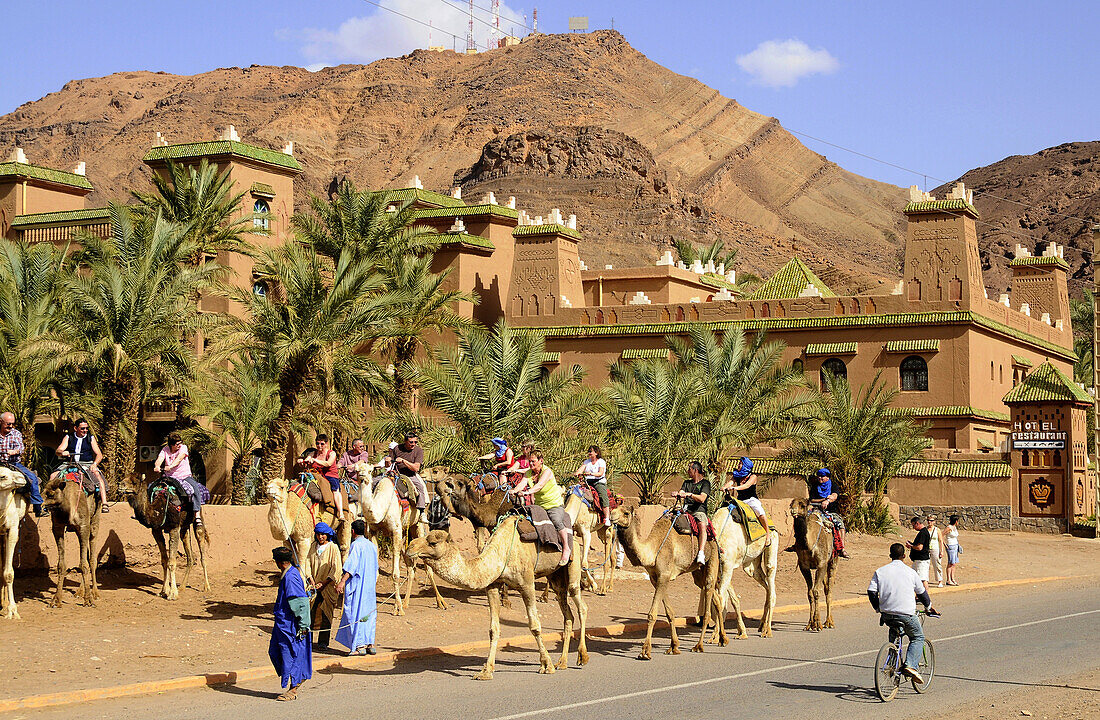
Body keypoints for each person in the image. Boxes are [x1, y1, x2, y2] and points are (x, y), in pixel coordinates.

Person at [867, 543, 938, 685]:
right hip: (906, 615)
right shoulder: (911, 572)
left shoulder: (880, 571)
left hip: (887, 614)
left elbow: (871, 592)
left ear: (890, 555)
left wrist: (878, 607)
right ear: (904, 556)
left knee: (894, 636)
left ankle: (892, 663)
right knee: (918, 637)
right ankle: (910, 666)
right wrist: (929, 607)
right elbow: (922, 593)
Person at [269, 546, 312, 701]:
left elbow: (300, 603)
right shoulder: (289, 574)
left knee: (291, 655)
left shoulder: (290, 577)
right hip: (282, 624)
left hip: (290, 625)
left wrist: (303, 625)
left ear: (280, 563)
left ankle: (293, 688)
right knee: (275, 652)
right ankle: (294, 680)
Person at [515, 451, 573, 566]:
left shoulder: (547, 472)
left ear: (541, 461)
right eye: (529, 461)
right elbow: (522, 483)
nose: (531, 464)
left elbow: (539, 485)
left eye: (533, 461)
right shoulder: (528, 473)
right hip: (539, 506)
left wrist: (527, 492)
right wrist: (513, 491)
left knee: (556, 520)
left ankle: (566, 548)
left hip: (554, 505)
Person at [335, 519, 379, 656]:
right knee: (369, 614)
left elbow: (351, 567)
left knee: (355, 613)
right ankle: (369, 643)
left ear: (352, 532)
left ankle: (359, 646)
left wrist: (342, 582)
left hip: (358, 587)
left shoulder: (356, 545)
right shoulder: (372, 546)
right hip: (370, 588)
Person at [51, 418, 108, 511]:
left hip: (86, 463)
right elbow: (58, 450)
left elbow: (99, 455)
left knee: (97, 475)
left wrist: (94, 464)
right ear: (75, 428)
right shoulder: (68, 437)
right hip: (69, 463)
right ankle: (50, 501)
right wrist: (62, 452)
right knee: (53, 476)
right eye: (82, 428)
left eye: (86, 428)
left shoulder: (91, 438)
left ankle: (104, 502)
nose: (85, 430)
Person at [153, 432, 206, 526]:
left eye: (180, 443)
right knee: (152, 488)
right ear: (171, 445)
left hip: (184, 476)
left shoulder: (183, 448)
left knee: (195, 489)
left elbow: (179, 459)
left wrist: (170, 466)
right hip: (169, 477)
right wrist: (157, 466)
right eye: (177, 444)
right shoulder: (165, 450)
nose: (179, 445)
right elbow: (159, 459)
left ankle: (197, 514)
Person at [0, 412, 45, 517]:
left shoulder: (16, 434)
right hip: (0, 463)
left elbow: (20, 448)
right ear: (1, 422)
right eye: (8, 424)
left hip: (14, 463)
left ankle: (38, 508)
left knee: (32, 478)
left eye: (12, 423)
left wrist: (14, 451)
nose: (10, 426)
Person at [721, 456, 771, 545]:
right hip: (740, 500)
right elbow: (730, 482)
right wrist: (724, 487)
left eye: (740, 463)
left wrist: (734, 488)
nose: (738, 465)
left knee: (759, 511)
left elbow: (746, 486)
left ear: (746, 466)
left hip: (751, 500)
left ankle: (768, 534)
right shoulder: (736, 476)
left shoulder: (753, 476)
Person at [309, 522, 342, 650]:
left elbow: (336, 568)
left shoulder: (333, 548)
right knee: (310, 613)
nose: (320, 537)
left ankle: (323, 642)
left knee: (326, 614)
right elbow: (307, 563)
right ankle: (309, 641)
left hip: (327, 587)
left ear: (327, 535)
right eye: (318, 534)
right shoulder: (313, 547)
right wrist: (311, 580)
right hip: (313, 586)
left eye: (323, 534)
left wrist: (324, 583)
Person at [298, 434, 342, 521]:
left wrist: (315, 460)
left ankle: (340, 512)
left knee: (335, 490)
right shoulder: (313, 453)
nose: (319, 446)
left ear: (326, 444)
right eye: (317, 443)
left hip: (330, 475)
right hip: (316, 475)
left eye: (322, 444)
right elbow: (307, 460)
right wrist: (302, 461)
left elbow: (328, 463)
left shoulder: (332, 453)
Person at [675, 460, 710, 565]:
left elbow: (702, 498)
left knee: (702, 525)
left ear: (695, 470)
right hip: (686, 510)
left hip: (698, 511)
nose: (687, 471)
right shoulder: (687, 482)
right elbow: (681, 491)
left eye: (689, 469)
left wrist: (689, 495)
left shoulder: (705, 483)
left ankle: (701, 552)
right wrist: (678, 493)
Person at [808, 468, 849, 558]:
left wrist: (828, 500)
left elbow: (834, 496)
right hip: (817, 510)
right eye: (819, 476)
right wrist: (823, 499)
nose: (820, 478)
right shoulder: (815, 486)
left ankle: (841, 549)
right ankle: (798, 544)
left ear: (827, 477)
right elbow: (812, 499)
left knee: (840, 525)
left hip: (831, 511)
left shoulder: (833, 485)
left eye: (822, 476)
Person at [388, 431, 428, 513]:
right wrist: (387, 461)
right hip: (396, 474)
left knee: (420, 488)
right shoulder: (397, 448)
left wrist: (403, 461)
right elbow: (389, 464)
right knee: (378, 482)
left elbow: (416, 468)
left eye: (415, 442)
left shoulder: (418, 451)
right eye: (411, 442)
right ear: (405, 441)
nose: (413, 444)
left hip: (410, 475)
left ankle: (421, 511)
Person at [575, 445, 610, 527]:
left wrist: (590, 473)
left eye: (591, 451)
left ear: (596, 453)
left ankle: (607, 518)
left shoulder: (601, 461)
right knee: (575, 491)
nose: (589, 453)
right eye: (589, 451)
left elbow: (600, 473)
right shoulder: (586, 462)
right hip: (588, 482)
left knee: (602, 496)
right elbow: (580, 469)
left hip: (598, 482)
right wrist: (577, 473)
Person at [905, 516, 932, 593]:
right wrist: (912, 544)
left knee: (922, 579)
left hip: (922, 560)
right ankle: (919, 596)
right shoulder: (923, 532)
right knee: (917, 579)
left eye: (913, 525)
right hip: (919, 559)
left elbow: (920, 547)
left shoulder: (923, 533)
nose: (913, 528)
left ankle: (925, 597)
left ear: (917, 523)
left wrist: (911, 546)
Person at [926, 514, 944, 588]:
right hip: (927, 549)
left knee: (937, 564)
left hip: (935, 548)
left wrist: (941, 551)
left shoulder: (937, 530)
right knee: (926, 565)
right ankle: (925, 580)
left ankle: (940, 580)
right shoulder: (925, 529)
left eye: (931, 520)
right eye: (928, 520)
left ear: (934, 522)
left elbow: (940, 540)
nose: (929, 522)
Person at [944, 515, 961, 586]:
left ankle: (952, 578)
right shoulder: (949, 528)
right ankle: (948, 580)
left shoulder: (954, 527)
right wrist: (945, 544)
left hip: (955, 546)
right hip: (950, 546)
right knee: (950, 563)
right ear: (956, 521)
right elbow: (941, 535)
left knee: (954, 563)